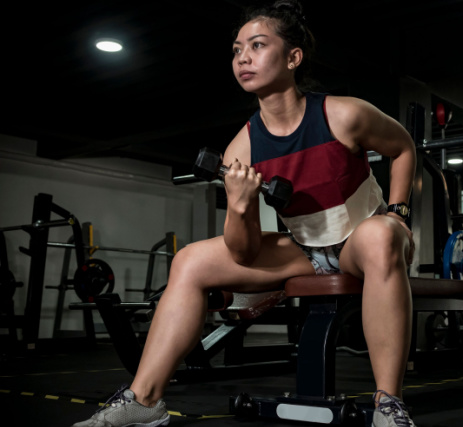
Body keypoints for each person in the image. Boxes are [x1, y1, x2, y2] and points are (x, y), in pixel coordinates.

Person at [71, 1, 417, 426]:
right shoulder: (243, 147)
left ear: (293, 58)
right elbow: (243, 251)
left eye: (257, 45)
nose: (243, 58)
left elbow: (403, 149)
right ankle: (144, 400)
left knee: (380, 235)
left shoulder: (344, 114)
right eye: (237, 50)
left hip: (362, 240)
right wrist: (238, 204)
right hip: (304, 248)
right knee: (190, 260)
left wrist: (398, 213)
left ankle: (389, 405)